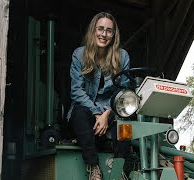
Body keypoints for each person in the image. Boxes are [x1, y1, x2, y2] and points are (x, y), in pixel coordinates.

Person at [67, 12, 130, 180]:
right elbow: (76, 91)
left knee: (127, 117)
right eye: (100, 29)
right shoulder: (79, 54)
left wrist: (106, 114)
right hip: (87, 110)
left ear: (114, 34)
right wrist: (96, 113)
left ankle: (120, 170)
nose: (104, 34)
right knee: (79, 113)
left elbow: (122, 91)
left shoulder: (122, 56)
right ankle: (93, 166)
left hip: (111, 111)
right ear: (93, 30)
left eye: (109, 30)